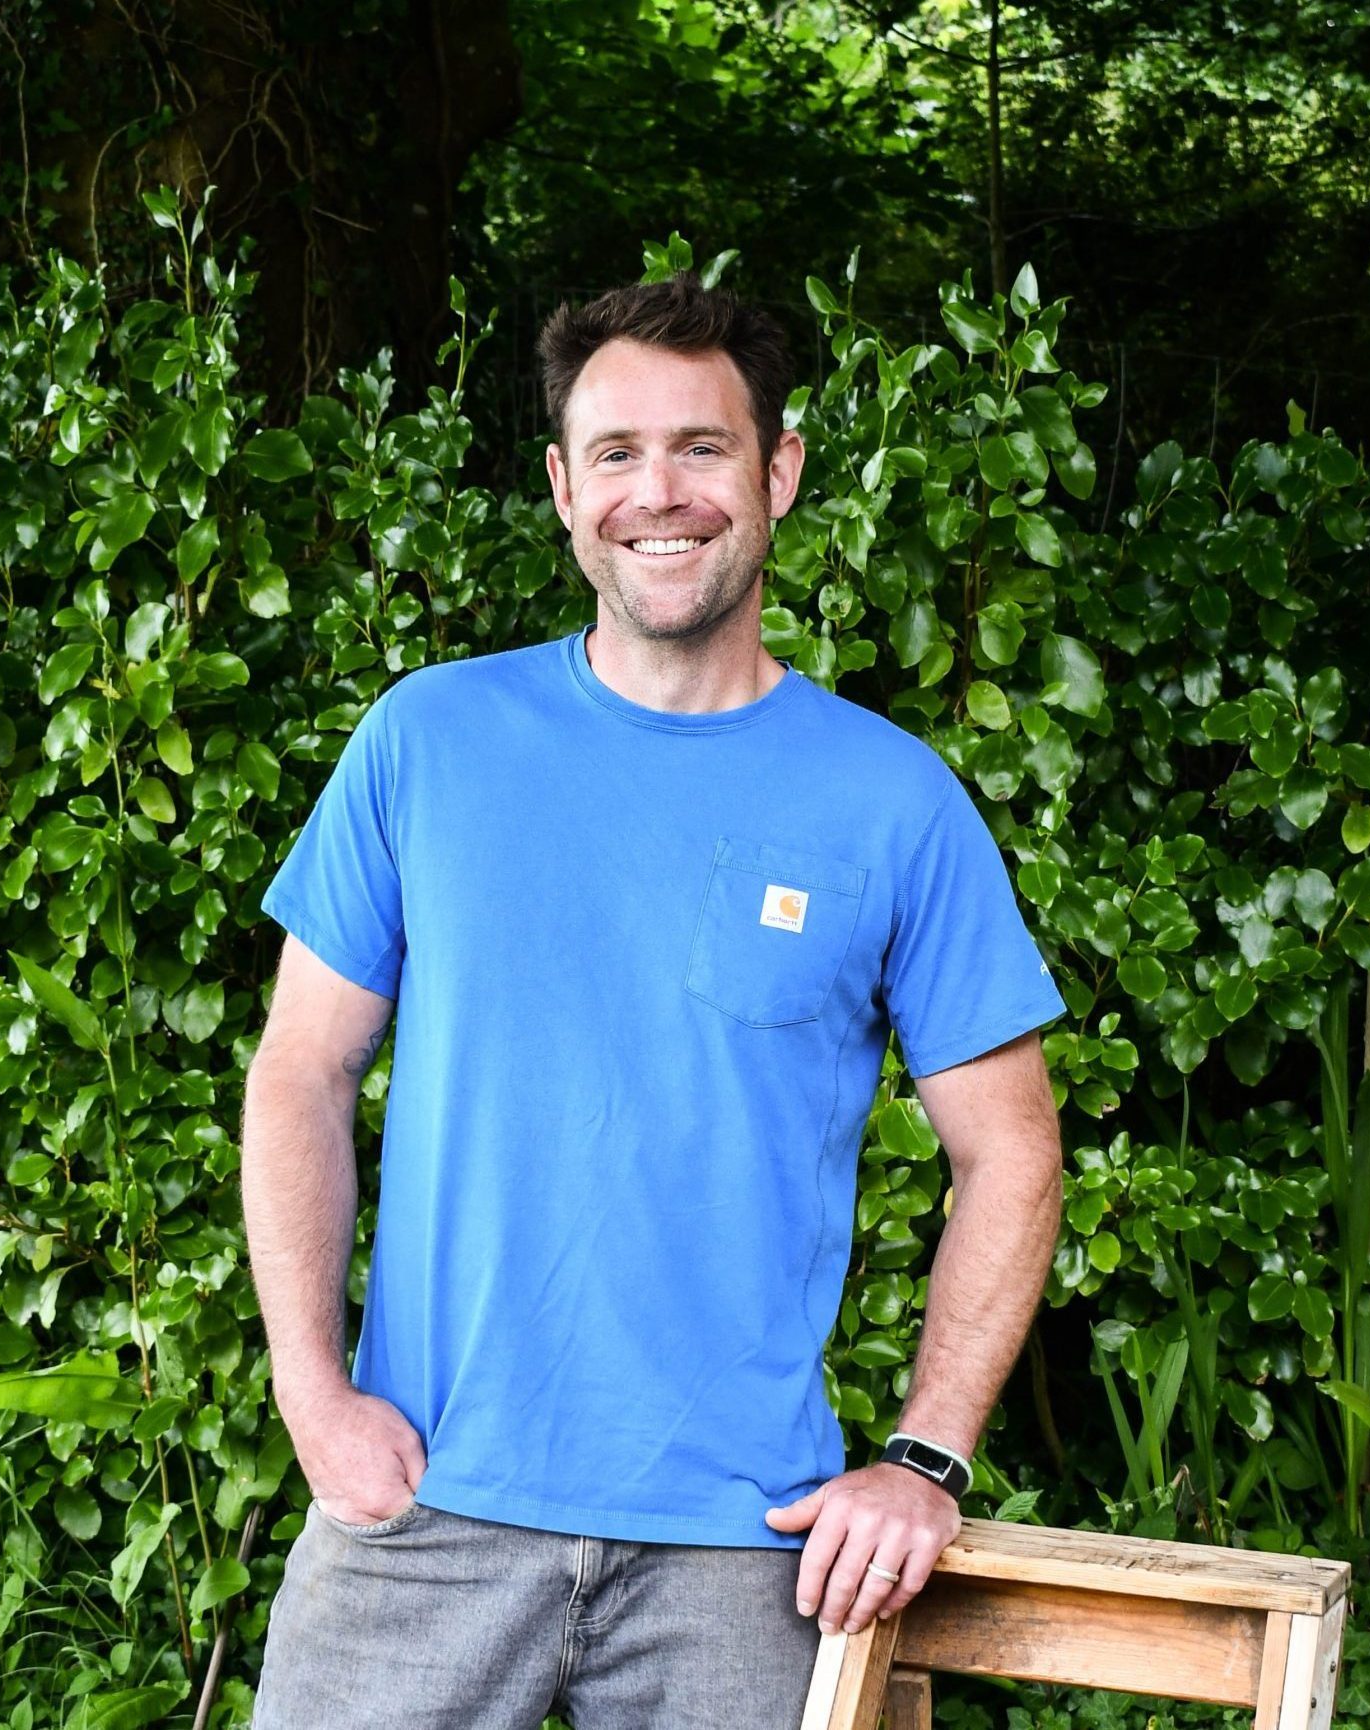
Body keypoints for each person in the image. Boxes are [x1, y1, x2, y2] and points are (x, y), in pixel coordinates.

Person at [242, 272, 1066, 1730]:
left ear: (779, 473)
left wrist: (924, 1457)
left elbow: (1010, 1151)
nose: (658, 491)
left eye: (701, 446)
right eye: (614, 453)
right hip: (420, 1518)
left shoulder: (894, 802)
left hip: (746, 1552)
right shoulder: (428, 740)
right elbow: (300, 1068)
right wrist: (315, 1395)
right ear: (563, 490)